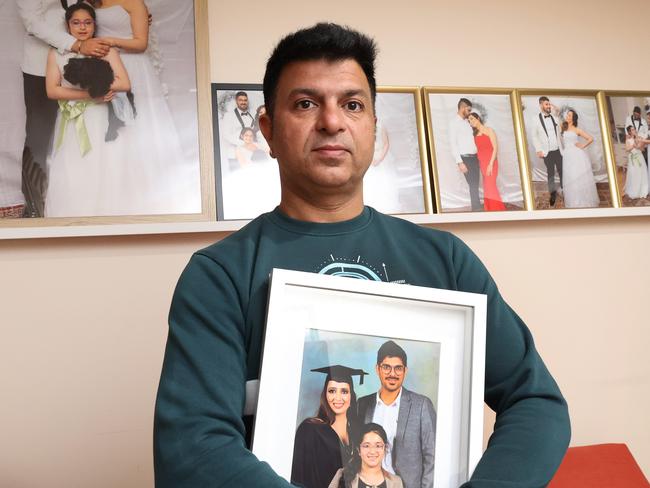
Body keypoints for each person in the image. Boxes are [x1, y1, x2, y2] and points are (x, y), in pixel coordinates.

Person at [153, 23, 570, 488]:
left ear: (372, 126)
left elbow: (536, 402)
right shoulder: (220, 275)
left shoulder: (445, 259)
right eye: (306, 104)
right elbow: (192, 448)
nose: (332, 121)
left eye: (352, 105)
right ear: (268, 131)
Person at [85, 0, 200, 215]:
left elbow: (140, 43)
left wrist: (109, 41)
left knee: (137, 126)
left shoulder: (134, 2)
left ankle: (140, 198)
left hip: (133, 67)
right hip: (103, 66)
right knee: (105, 127)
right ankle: (109, 197)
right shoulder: (90, 3)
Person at [17, 0, 111, 217]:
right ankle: (34, 209)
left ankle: (84, 200)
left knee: (85, 137)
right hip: (41, 66)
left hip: (86, 62)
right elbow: (32, 21)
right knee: (39, 138)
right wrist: (76, 45)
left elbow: (90, 10)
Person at [44, 2, 130, 217]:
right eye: (76, 22)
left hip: (98, 116)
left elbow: (124, 83)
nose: (82, 28)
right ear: (67, 25)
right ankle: (72, 214)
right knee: (72, 163)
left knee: (100, 161)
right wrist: (91, 95)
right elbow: (53, 91)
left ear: (94, 25)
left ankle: (101, 213)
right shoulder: (57, 53)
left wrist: (100, 86)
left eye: (87, 22)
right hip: (71, 117)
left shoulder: (104, 49)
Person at [357, 341, 435, 488]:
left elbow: (432, 457)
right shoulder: (363, 404)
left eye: (398, 368)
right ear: (377, 369)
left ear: (405, 370)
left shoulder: (422, 405)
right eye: (386, 367)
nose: (392, 374)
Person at [291, 365, 367, 488]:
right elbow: (298, 477)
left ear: (351, 396)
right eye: (332, 391)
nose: (337, 398)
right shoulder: (310, 429)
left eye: (344, 391)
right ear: (325, 394)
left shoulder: (358, 433)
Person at [329, 423, 404, 488]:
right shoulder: (342, 476)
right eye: (366, 446)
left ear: (385, 448)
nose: (372, 451)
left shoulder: (396, 482)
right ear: (358, 450)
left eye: (378, 446)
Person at [560, 109, 600, 208]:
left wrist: (582, 146)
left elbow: (590, 138)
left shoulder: (577, 129)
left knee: (577, 176)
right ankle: (573, 200)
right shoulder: (563, 126)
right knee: (570, 177)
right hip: (567, 155)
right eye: (567, 115)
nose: (567, 117)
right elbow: (557, 114)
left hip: (576, 155)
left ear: (573, 118)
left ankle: (582, 200)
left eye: (569, 115)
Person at [467, 112, 506, 211]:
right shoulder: (474, 135)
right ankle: (489, 209)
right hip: (482, 164)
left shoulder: (489, 130)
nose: (470, 122)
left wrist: (490, 164)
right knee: (487, 187)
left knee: (490, 186)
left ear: (478, 118)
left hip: (491, 162)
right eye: (469, 121)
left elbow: (495, 148)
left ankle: (498, 210)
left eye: (472, 119)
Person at [448, 98, 482, 211]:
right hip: (465, 159)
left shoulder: (469, 121)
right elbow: (453, 144)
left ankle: (477, 207)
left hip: (475, 158)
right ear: (462, 108)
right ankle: (477, 209)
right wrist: (460, 162)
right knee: (473, 184)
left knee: (475, 184)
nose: (469, 112)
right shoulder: (453, 123)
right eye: (468, 109)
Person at [531, 96, 563, 206]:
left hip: (558, 150)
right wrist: (538, 149)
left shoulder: (554, 117)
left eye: (549, 104)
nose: (548, 106)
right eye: (546, 104)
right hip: (547, 151)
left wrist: (554, 107)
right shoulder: (535, 119)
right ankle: (552, 194)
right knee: (550, 173)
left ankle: (564, 189)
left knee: (562, 171)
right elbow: (534, 136)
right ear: (541, 105)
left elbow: (559, 114)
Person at [623, 126, 649, 199]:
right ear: (629, 132)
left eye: (634, 129)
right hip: (633, 159)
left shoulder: (639, 138)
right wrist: (633, 146)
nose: (634, 130)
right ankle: (635, 190)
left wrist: (639, 141)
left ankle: (643, 189)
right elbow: (627, 149)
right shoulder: (628, 140)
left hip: (640, 157)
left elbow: (642, 149)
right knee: (634, 173)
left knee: (642, 172)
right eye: (632, 129)